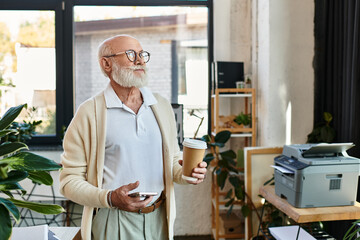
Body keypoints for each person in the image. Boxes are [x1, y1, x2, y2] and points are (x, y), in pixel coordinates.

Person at [59, 34, 207, 240]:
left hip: (159, 219)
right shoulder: (89, 113)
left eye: (142, 54)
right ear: (106, 64)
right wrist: (110, 198)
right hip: (113, 220)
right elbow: (69, 181)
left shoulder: (161, 106)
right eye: (130, 54)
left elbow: (172, 162)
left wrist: (187, 173)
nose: (140, 60)